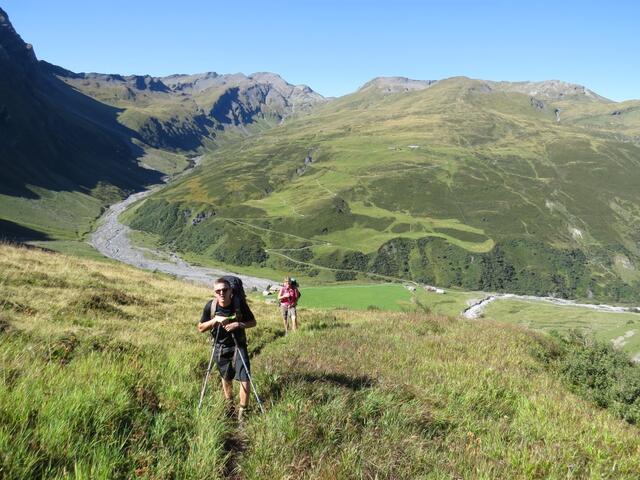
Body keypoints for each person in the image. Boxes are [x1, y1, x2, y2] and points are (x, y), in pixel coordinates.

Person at [198, 277, 256, 421]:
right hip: (220, 347)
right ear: (214, 292)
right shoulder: (211, 306)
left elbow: (253, 322)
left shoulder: (239, 304)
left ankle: (243, 413)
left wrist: (239, 324)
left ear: (231, 291)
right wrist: (215, 320)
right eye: (218, 291)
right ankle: (230, 406)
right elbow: (200, 328)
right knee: (226, 378)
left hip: (239, 345)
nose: (222, 293)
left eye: (225, 290)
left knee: (245, 378)